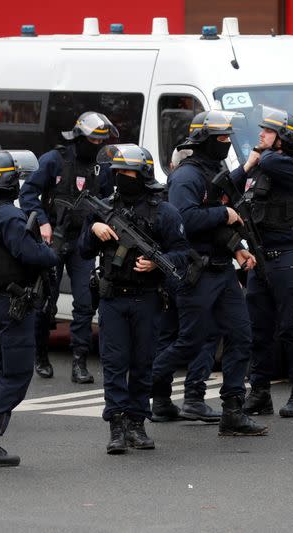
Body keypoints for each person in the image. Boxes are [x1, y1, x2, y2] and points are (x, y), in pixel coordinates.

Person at [152, 110, 268, 437]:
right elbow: (184, 219)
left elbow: (217, 226)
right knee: (189, 342)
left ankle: (233, 411)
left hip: (221, 270)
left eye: (228, 137)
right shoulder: (186, 176)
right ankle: (144, 389)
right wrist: (225, 213)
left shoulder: (214, 170)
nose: (226, 143)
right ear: (203, 139)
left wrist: (237, 248)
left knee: (241, 335)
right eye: (220, 138)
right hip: (195, 270)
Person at [78, 144, 189, 453]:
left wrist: (157, 263)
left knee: (142, 363)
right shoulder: (104, 207)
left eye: (128, 173)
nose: (122, 178)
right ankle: (116, 426)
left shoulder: (163, 211)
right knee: (114, 364)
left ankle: (137, 423)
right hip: (112, 298)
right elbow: (83, 250)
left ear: (142, 175)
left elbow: (182, 253)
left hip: (147, 298)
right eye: (118, 173)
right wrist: (94, 229)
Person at [0, 150, 59, 466]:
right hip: (13, 304)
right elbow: (31, 254)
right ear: (9, 182)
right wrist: (51, 252)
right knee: (17, 374)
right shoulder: (9, 215)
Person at [19, 111, 116, 383]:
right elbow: (28, 194)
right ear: (80, 137)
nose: (98, 146)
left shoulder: (103, 167)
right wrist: (41, 222)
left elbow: (109, 200)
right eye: (93, 140)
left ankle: (79, 362)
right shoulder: (54, 160)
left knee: (85, 303)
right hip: (53, 239)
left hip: (84, 242)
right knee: (45, 302)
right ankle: (40, 355)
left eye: (102, 141)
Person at [233, 105, 293, 418]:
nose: (260, 135)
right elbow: (232, 186)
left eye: (268, 131)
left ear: (284, 138)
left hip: (288, 257)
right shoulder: (262, 166)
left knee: (292, 327)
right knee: (259, 329)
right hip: (260, 256)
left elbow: (265, 159)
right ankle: (260, 392)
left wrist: (256, 155)